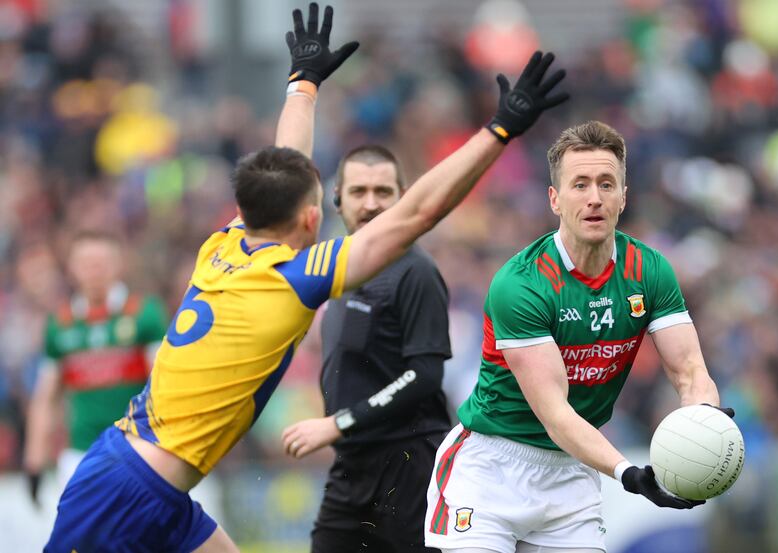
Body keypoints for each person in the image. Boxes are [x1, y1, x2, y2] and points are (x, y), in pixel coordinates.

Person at [44, 3, 568, 551]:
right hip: (125, 489)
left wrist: (304, 84)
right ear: (313, 218)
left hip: (145, 482)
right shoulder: (296, 278)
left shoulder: (223, 244)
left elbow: (283, 169)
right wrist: (499, 130)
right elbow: (415, 214)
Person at [423, 120, 735, 553]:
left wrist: (704, 422)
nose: (594, 198)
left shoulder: (650, 270)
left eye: (607, 184)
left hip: (571, 473)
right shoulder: (521, 284)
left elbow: (690, 372)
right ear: (555, 198)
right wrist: (629, 473)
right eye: (580, 184)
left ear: (623, 197)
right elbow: (555, 413)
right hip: (490, 469)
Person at [281, 144, 452, 553]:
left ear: (403, 196)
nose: (371, 203)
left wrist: (338, 422)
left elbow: (425, 375)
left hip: (411, 467)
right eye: (359, 192)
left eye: (383, 191)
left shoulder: (417, 271)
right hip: (352, 466)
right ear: (337, 198)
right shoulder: (336, 265)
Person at [23, 230, 167, 506]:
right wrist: (34, 460)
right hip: (80, 455)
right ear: (72, 268)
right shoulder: (60, 324)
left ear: (118, 265)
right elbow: (45, 399)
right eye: (87, 263)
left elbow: (165, 384)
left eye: (101, 263)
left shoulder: (144, 314)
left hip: (137, 452)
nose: (94, 271)